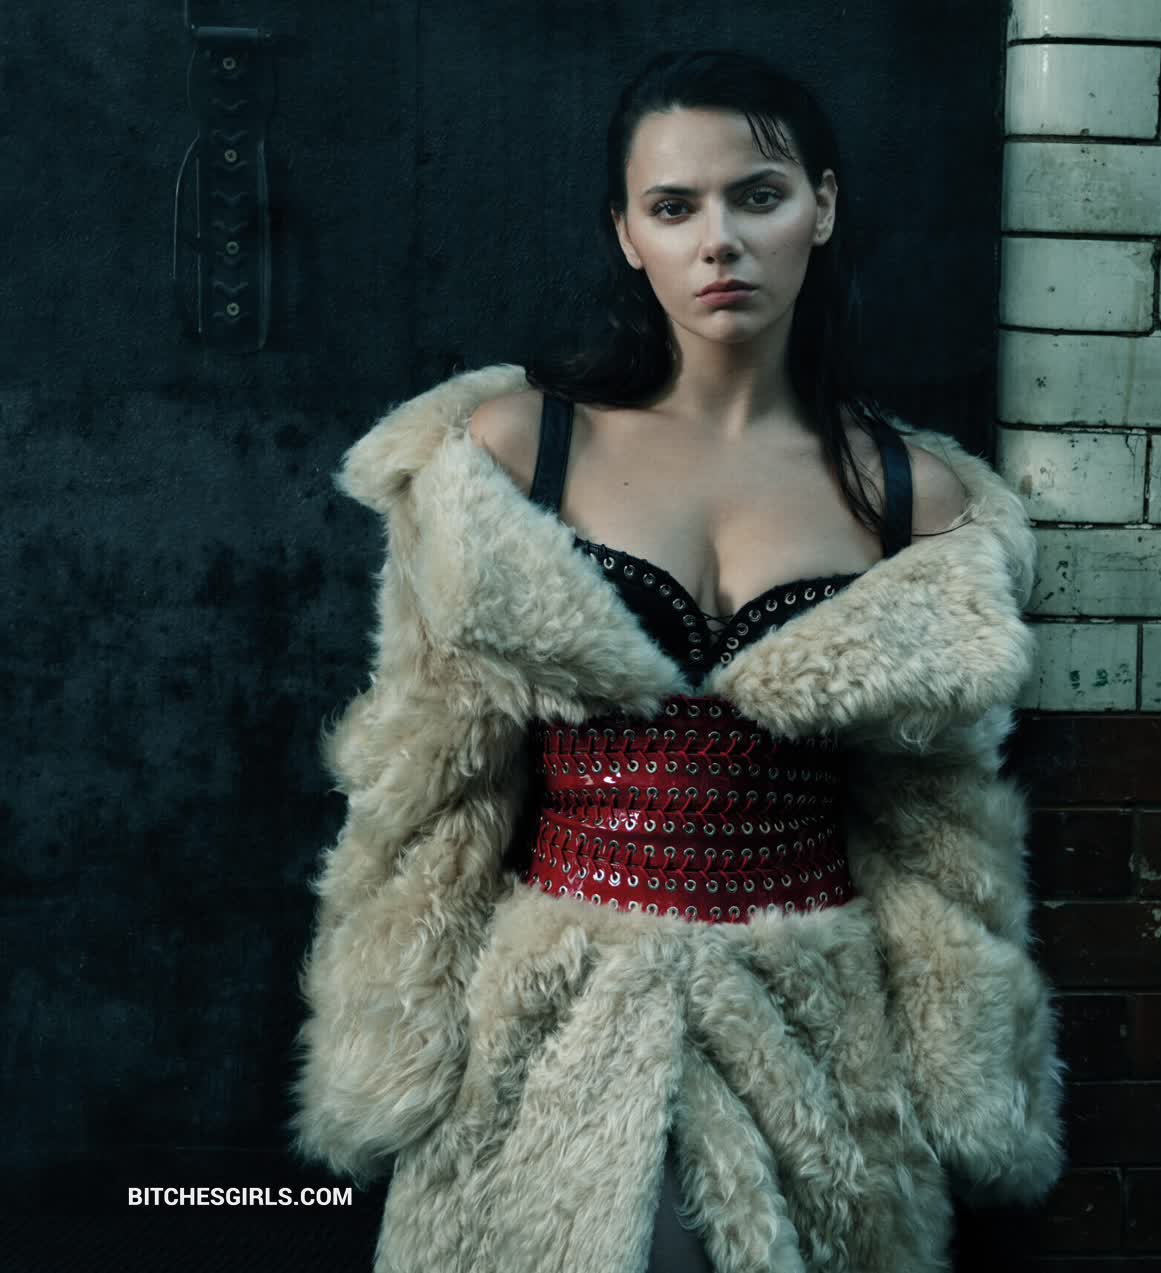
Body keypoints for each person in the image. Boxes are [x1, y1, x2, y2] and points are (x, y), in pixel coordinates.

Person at [287, 47, 1066, 1273]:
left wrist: (967, 1079)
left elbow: (939, 837)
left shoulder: (914, 498)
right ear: (626, 234)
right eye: (673, 206)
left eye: (758, 196)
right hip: (555, 1026)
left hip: (813, 1036)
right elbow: (428, 789)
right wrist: (387, 1050)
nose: (720, 241)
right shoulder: (515, 451)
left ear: (822, 207)